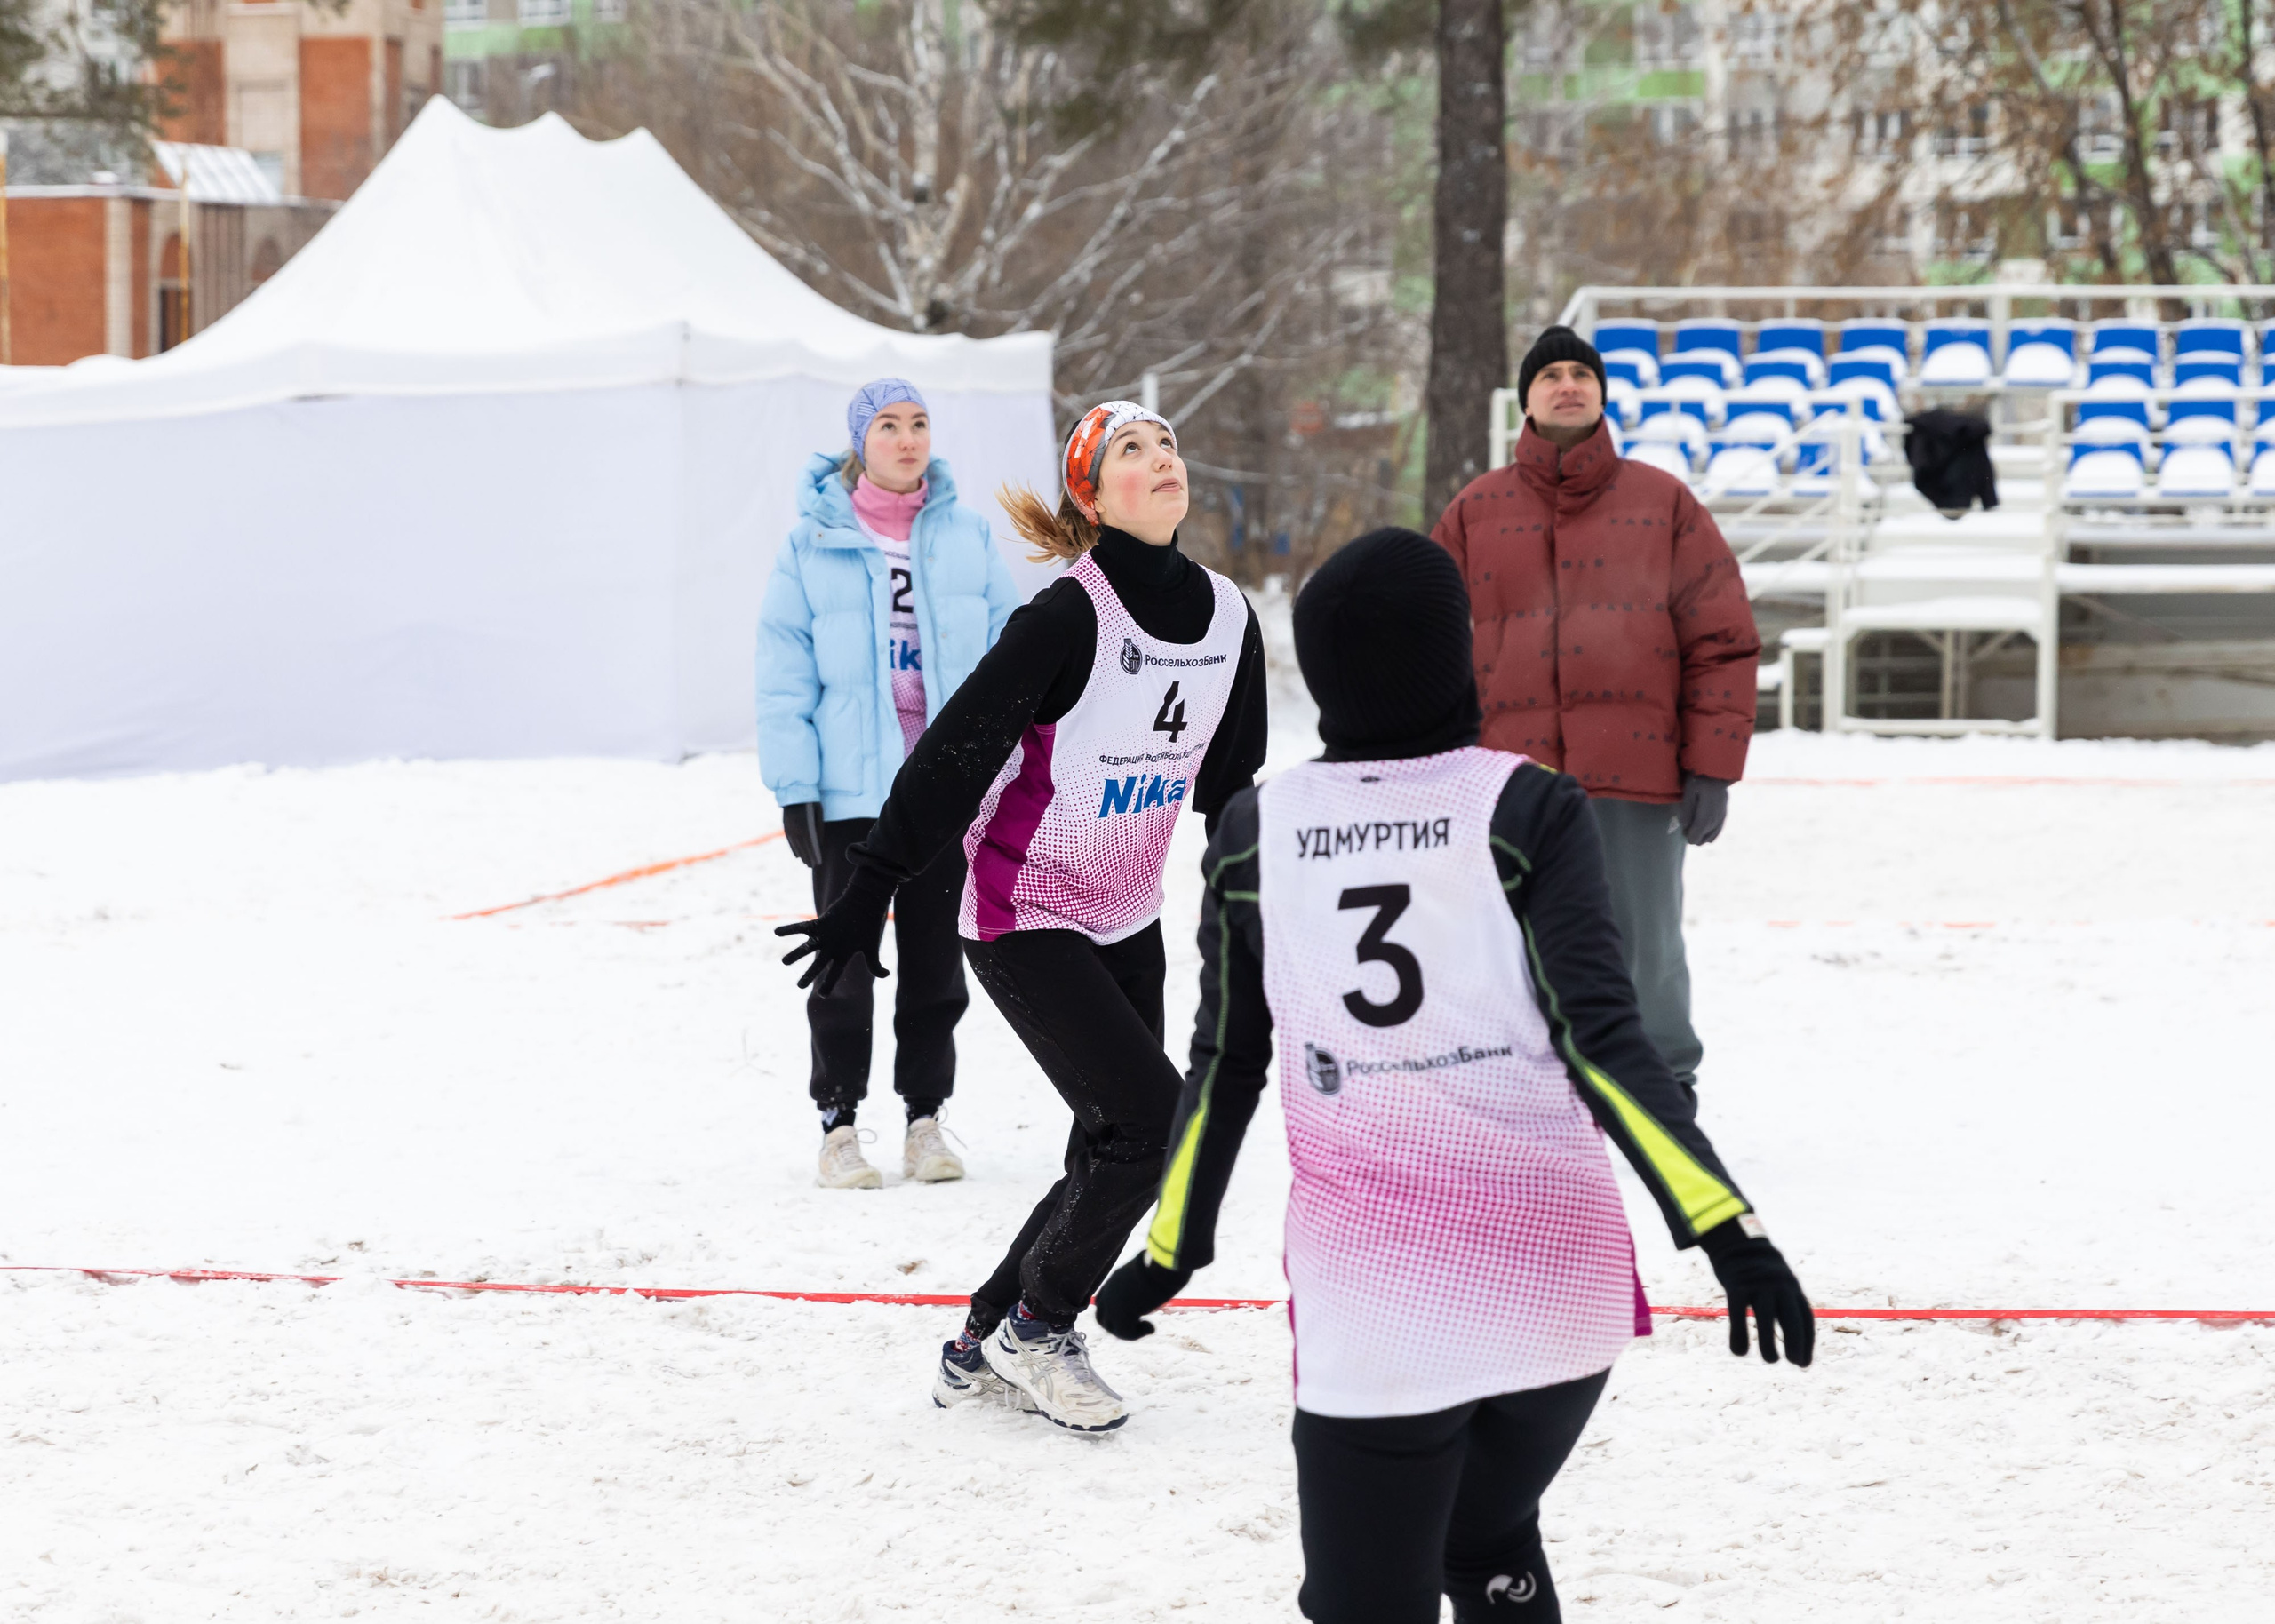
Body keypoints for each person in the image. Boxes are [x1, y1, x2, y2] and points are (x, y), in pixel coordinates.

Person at [1093, 528, 1812, 1622]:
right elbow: (1605, 1041)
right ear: (1455, 652)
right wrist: (1727, 1231)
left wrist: (1168, 1248)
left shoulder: (1256, 830)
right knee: (1486, 1545)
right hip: (1556, 1293)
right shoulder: (1529, 805)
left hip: (1379, 1309)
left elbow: (1224, 1062)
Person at [777, 400, 1269, 1432]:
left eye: (1169, 441)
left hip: (1126, 909)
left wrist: (1267, 903)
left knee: (1111, 1139)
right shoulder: (1064, 617)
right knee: (1151, 1122)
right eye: (1131, 450)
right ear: (1091, 497)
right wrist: (865, 891)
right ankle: (1038, 1328)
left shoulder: (1230, 618)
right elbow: (953, 755)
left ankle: (981, 1340)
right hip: (1021, 906)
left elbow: (1232, 790)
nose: (1162, 458)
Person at [1430, 326, 1760, 1098]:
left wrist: (1712, 765)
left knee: (1642, 944)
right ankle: (1517, 1081)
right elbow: (1429, 647)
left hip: (1636, 771)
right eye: (1551, 374)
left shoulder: (1665, 503)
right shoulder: (1475, 512)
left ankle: (1661, 1082)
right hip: (1506, 779)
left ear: (1604, 393)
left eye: (1583, 372)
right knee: (1506, 938)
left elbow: (1722, 640)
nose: (1568, 383)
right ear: (1527, 399)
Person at [758, 379, 1020, 1190]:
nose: (908, 439)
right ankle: (839, 1126)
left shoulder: (969, 537)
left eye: (919, 424)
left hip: (942, 788)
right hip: (850, 792)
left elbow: (1015, 659)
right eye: (888, 426)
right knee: (845, 956)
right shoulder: (811, 545)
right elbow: (783, 676)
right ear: (859, 442)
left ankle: (926, 1122)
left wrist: (1004, 766)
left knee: (938, 959)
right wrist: (797, 788)